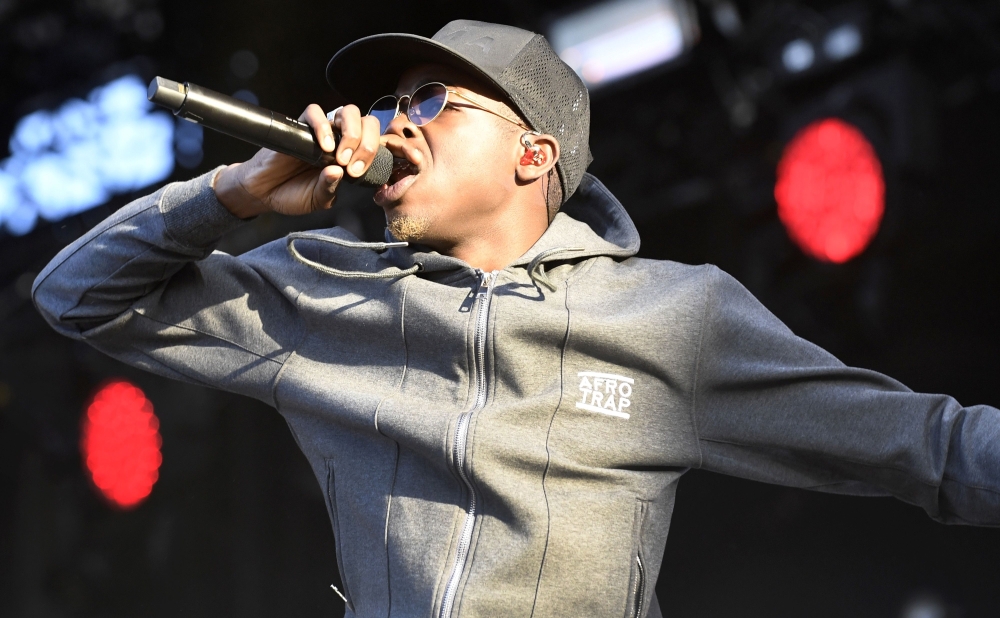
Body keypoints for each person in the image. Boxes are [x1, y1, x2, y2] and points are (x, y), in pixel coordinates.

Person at [32, 19, 1000, 618]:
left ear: (532, 156)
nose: (393, 121)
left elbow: (929, 447)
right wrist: (229, 197)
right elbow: (71, 298)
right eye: (386, 101)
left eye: (431, 100)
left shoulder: (669, 315)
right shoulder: (321, 292)